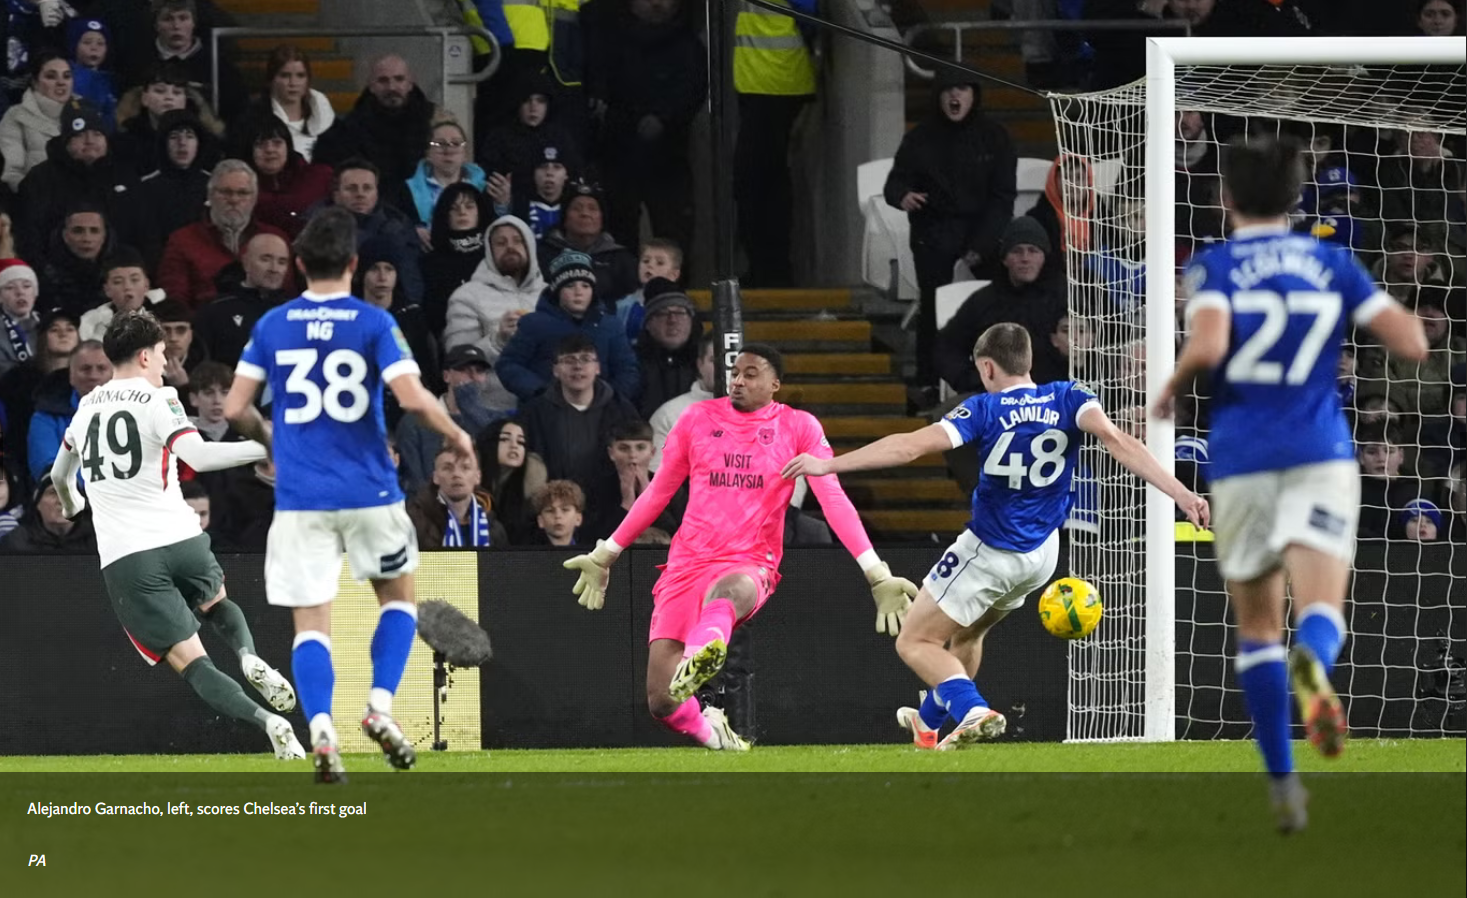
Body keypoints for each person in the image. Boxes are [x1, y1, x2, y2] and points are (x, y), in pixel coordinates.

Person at [1154, 136, 1429, 831]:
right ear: (1297, 198)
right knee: (1321, 608)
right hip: (1320, 453)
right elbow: (1411, 342)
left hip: (1242, 458)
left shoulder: (1214, 264)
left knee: (1255, 630)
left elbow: (1209, 345)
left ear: (1225, 198)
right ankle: (1314, 663)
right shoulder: (1329, 261)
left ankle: (1283, 789)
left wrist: (1173, 386)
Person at [784, 321, 1205, 748]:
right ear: (1028, 361)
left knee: (915, 640)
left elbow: (909, 446)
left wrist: (829, 464)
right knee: (968, 633)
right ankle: (927, 725)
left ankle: (973, 710)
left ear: (987, 367)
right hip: (1042, 554)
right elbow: (1118, 441)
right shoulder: (1070, 396)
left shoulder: (983, 409)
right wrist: (1182, 494)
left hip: (989, 551)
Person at [223, 206, 475, 783]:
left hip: (300, 497)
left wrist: (270, 438)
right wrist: (457, 434)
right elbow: (411, 397)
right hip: (370, 491)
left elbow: (235, 407)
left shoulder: (273, 324)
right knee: (398, 601)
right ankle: (380, 707)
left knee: (312, 625)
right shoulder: (373, 322)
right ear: (354, 264)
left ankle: (321, 730)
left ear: (300, 264)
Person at [562, 343, 919, 750]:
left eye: (751, 374)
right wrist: (606, 553)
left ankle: (701, 654)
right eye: (735, 372)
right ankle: (712, 731)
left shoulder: (798, 426)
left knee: (729, 592)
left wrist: (877, 574)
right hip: (686, 562)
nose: (738, 381)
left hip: (750, 560)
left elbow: (834, 501)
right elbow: (659, 492)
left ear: (775, 384)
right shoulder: (697, 418)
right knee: (661, 701)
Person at [46, 309, 304, 759]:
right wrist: (266, 445)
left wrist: (71, 505)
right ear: (145, 356)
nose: (166, 363)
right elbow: (198, 457)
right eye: (163, 353)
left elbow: (59, 475)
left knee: (193, 662)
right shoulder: (159, 399)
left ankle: (269, 723)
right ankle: (248, 656)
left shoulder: (85, 408)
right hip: (181, 538)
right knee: (218, 603)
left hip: (128, 557)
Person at [884, 67, 1017, 399]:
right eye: (947, 90)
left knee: (993, 307)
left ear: (974, 95)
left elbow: (1002, 198)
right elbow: (895, 182)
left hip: (984, 233)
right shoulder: (920, 138)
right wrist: (903, 196)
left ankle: (998, 377)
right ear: (938, 96)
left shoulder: (995, 137)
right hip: (934, 233)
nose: (954, 96)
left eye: (962, 89)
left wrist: (981, 246)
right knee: (932, 308)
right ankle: (929, 380)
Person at [732, 0, 816, 288]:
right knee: (763, 180)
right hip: (761, 80)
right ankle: (767, 269)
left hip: (778, 81)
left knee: (757, 182)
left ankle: (771, 270)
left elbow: (809, 17)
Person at [935, 216, 1067, 394]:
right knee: (946, 411)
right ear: (1005, 259)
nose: (1025, 258)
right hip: (994, 397)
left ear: (1044, 256)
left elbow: (1093, 346)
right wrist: (974, 381)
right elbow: (947, 346)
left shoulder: (1066, 297)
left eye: (1033, 251)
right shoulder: (984, 300)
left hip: (1053, 396)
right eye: (1017, 251)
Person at [498, 250, 640, 403]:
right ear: (557, 291)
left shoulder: (611, 326)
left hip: (601, 411)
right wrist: (540, 392)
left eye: (585, 286)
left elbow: (627, 369)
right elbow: (509, 364)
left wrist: (608, 400)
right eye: (570, 285)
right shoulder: (534, 324)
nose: (578, 292)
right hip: (545, 410)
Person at [155, 159, 291, 309]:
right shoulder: (183, 240)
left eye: (242, 193)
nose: (234, 200)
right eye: (226, 192)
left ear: (254, 198)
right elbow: (174, 302)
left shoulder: (276, 239)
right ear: (210, 195)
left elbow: (289, 295)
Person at [442, 214, 545, 410]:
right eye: (501, 243)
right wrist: (498, 340)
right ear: (489, 251)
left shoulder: (550, 295)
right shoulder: (467, 296)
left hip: (544, 407)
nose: (510, 247)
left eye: (518, 240)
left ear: (530, 247)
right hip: (490, 409)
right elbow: (458, 360)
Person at [312, 54, 450, 189]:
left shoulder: (437, 121)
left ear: (410, 84)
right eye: (383, 81)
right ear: (371, 86)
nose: (392, 87)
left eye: (399, 79)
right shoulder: (350, 129)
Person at [191, 231, 291, 368]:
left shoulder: (296, 311)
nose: (274, 269)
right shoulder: (215, 311)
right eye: (266, 259)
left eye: (282, 262)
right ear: (246, 262)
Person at [27, 338, 111, 481]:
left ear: (114, 374)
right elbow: (47, 466)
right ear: (71, 376)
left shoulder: (137, 412)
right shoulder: (46, 417)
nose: (93, 376)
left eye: (101, 368)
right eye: (85, 369)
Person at [421, 182, 492, 336]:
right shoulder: (430, 262)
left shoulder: (494, 257)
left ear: (480, 212)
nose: (462, 212)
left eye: (469, 206)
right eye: (454, 208)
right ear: (445, 215)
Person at [406, 443, 508, 548]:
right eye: (447, 468)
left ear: (478, 477)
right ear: (435, 477)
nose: (456, 474)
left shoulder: (494, 529)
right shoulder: (414, 522)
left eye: (465, 467)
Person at [1, 50, 73, 190]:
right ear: (35, 82)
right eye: (51, 76)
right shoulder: (15, 116)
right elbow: (12, 173)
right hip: (37, 197)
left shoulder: (86, 112)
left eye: (67, 76)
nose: (61, 82)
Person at [253, 43, 335, 161]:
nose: (293, 83)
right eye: (285, 75)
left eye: (300, 76)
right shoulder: (253, 121)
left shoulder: (326, 119)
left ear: (308, 79)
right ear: (271, 79)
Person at [475, 416, 546, 544]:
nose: (514, 446)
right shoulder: (469, 480)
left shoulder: (531, 486)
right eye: (505, 439)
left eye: (520, 442)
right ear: (490, 443)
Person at [0, 471, 97, 554]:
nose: (61, 501)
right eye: (53, 493)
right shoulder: (16, 543)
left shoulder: (98, 540)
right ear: (38, 503)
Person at [0, 258, 39, 378]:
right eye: (10, 287)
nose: (20, 292)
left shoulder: (49, 325)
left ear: (35, 293)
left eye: (26, 286)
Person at [531, 478, 585, 547]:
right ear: (540, 521)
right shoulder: (526, 552)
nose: (558, 516)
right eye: (550, 511)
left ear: (578, 519)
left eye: (565, 510)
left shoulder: (590, 551)